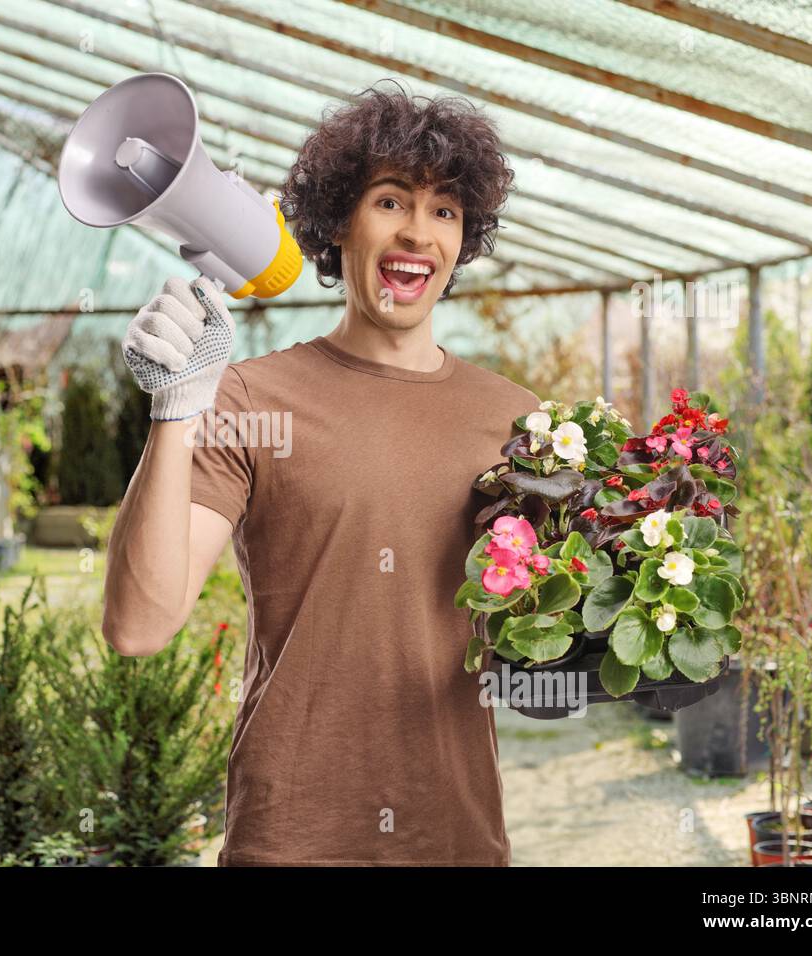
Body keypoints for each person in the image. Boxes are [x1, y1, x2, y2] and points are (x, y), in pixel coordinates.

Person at [103, 80, 541, 866]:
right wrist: (175, 411)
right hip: (291, 839)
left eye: (445, 211)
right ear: (340, 220)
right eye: (391, 202)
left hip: (457, 838)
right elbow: (140, 625)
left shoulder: (514, 420)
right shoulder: (247, 397)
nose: (418, 233)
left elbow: (553, 634)